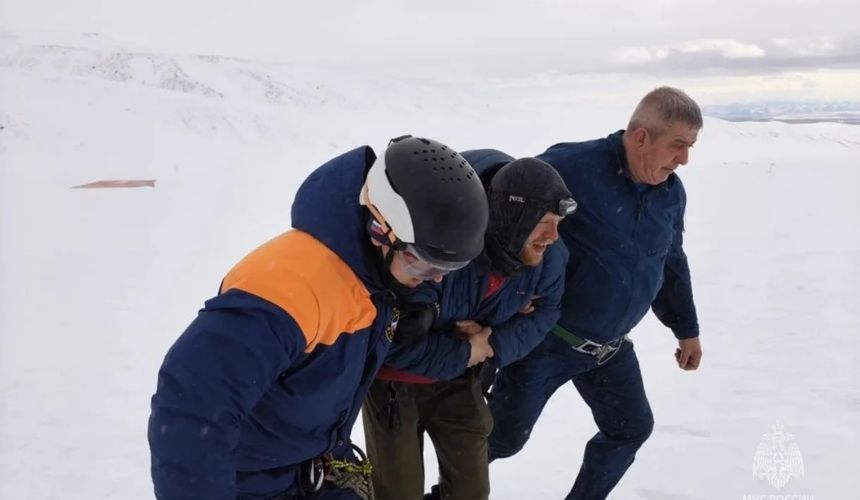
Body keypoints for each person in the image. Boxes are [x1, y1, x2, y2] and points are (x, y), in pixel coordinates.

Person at [147, 135, 492, 500]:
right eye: (424, 264)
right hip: (248, 484)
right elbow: (192, 408)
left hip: (313, 469)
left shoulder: (376, 280)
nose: (436, 279)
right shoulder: (289, 288)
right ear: (379, 229)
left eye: (449, 268)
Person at [488, 87, 705, 500]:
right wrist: (506, 294)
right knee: (501, 440)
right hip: (546, 341)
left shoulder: (671, 193)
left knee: (630, 429)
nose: (684, 160)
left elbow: (670, 262)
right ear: (641, 137)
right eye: (678, 146)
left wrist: (686, 329)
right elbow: (506, 216)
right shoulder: (572, 167)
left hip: (609, 348)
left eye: (690, 147)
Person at [362, 153, 575, 500]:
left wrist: (491, 346)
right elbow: (395, 340)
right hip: (395, 385)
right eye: (542, 223)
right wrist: (464, 350)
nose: (552, 236)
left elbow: (548, 310)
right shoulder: (446, 238)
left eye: (557, 223)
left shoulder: (545, 258)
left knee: (470, 491)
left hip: (461, 379)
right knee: (397, 492)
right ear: (514, 217)